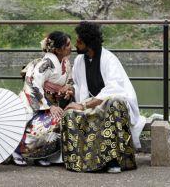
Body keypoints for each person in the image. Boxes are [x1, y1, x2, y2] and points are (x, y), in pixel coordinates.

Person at [61, 21, 146, 173]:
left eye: (79, 41)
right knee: (69, 114)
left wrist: (85, 105)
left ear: (89, 43)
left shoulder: (109, 59)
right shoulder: (80, 60)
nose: (75, 44)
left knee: (115, 103)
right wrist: (71, 90)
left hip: (109, 101)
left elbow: (114, 88)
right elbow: (80, 86)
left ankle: (113, 160)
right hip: (90, 101)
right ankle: (81, 161)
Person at [12, 31, 73, 166]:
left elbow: (70, 80)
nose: (71, 47)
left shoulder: (65, 62)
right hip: (35, 101)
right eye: (67, 45)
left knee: (62, 119)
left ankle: (40, 154)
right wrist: (48, 106)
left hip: (53, 102)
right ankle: (18, 150)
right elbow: (33, 84)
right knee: (51, 121)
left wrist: (68, 89)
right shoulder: (46, 63)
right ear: (57, 49)